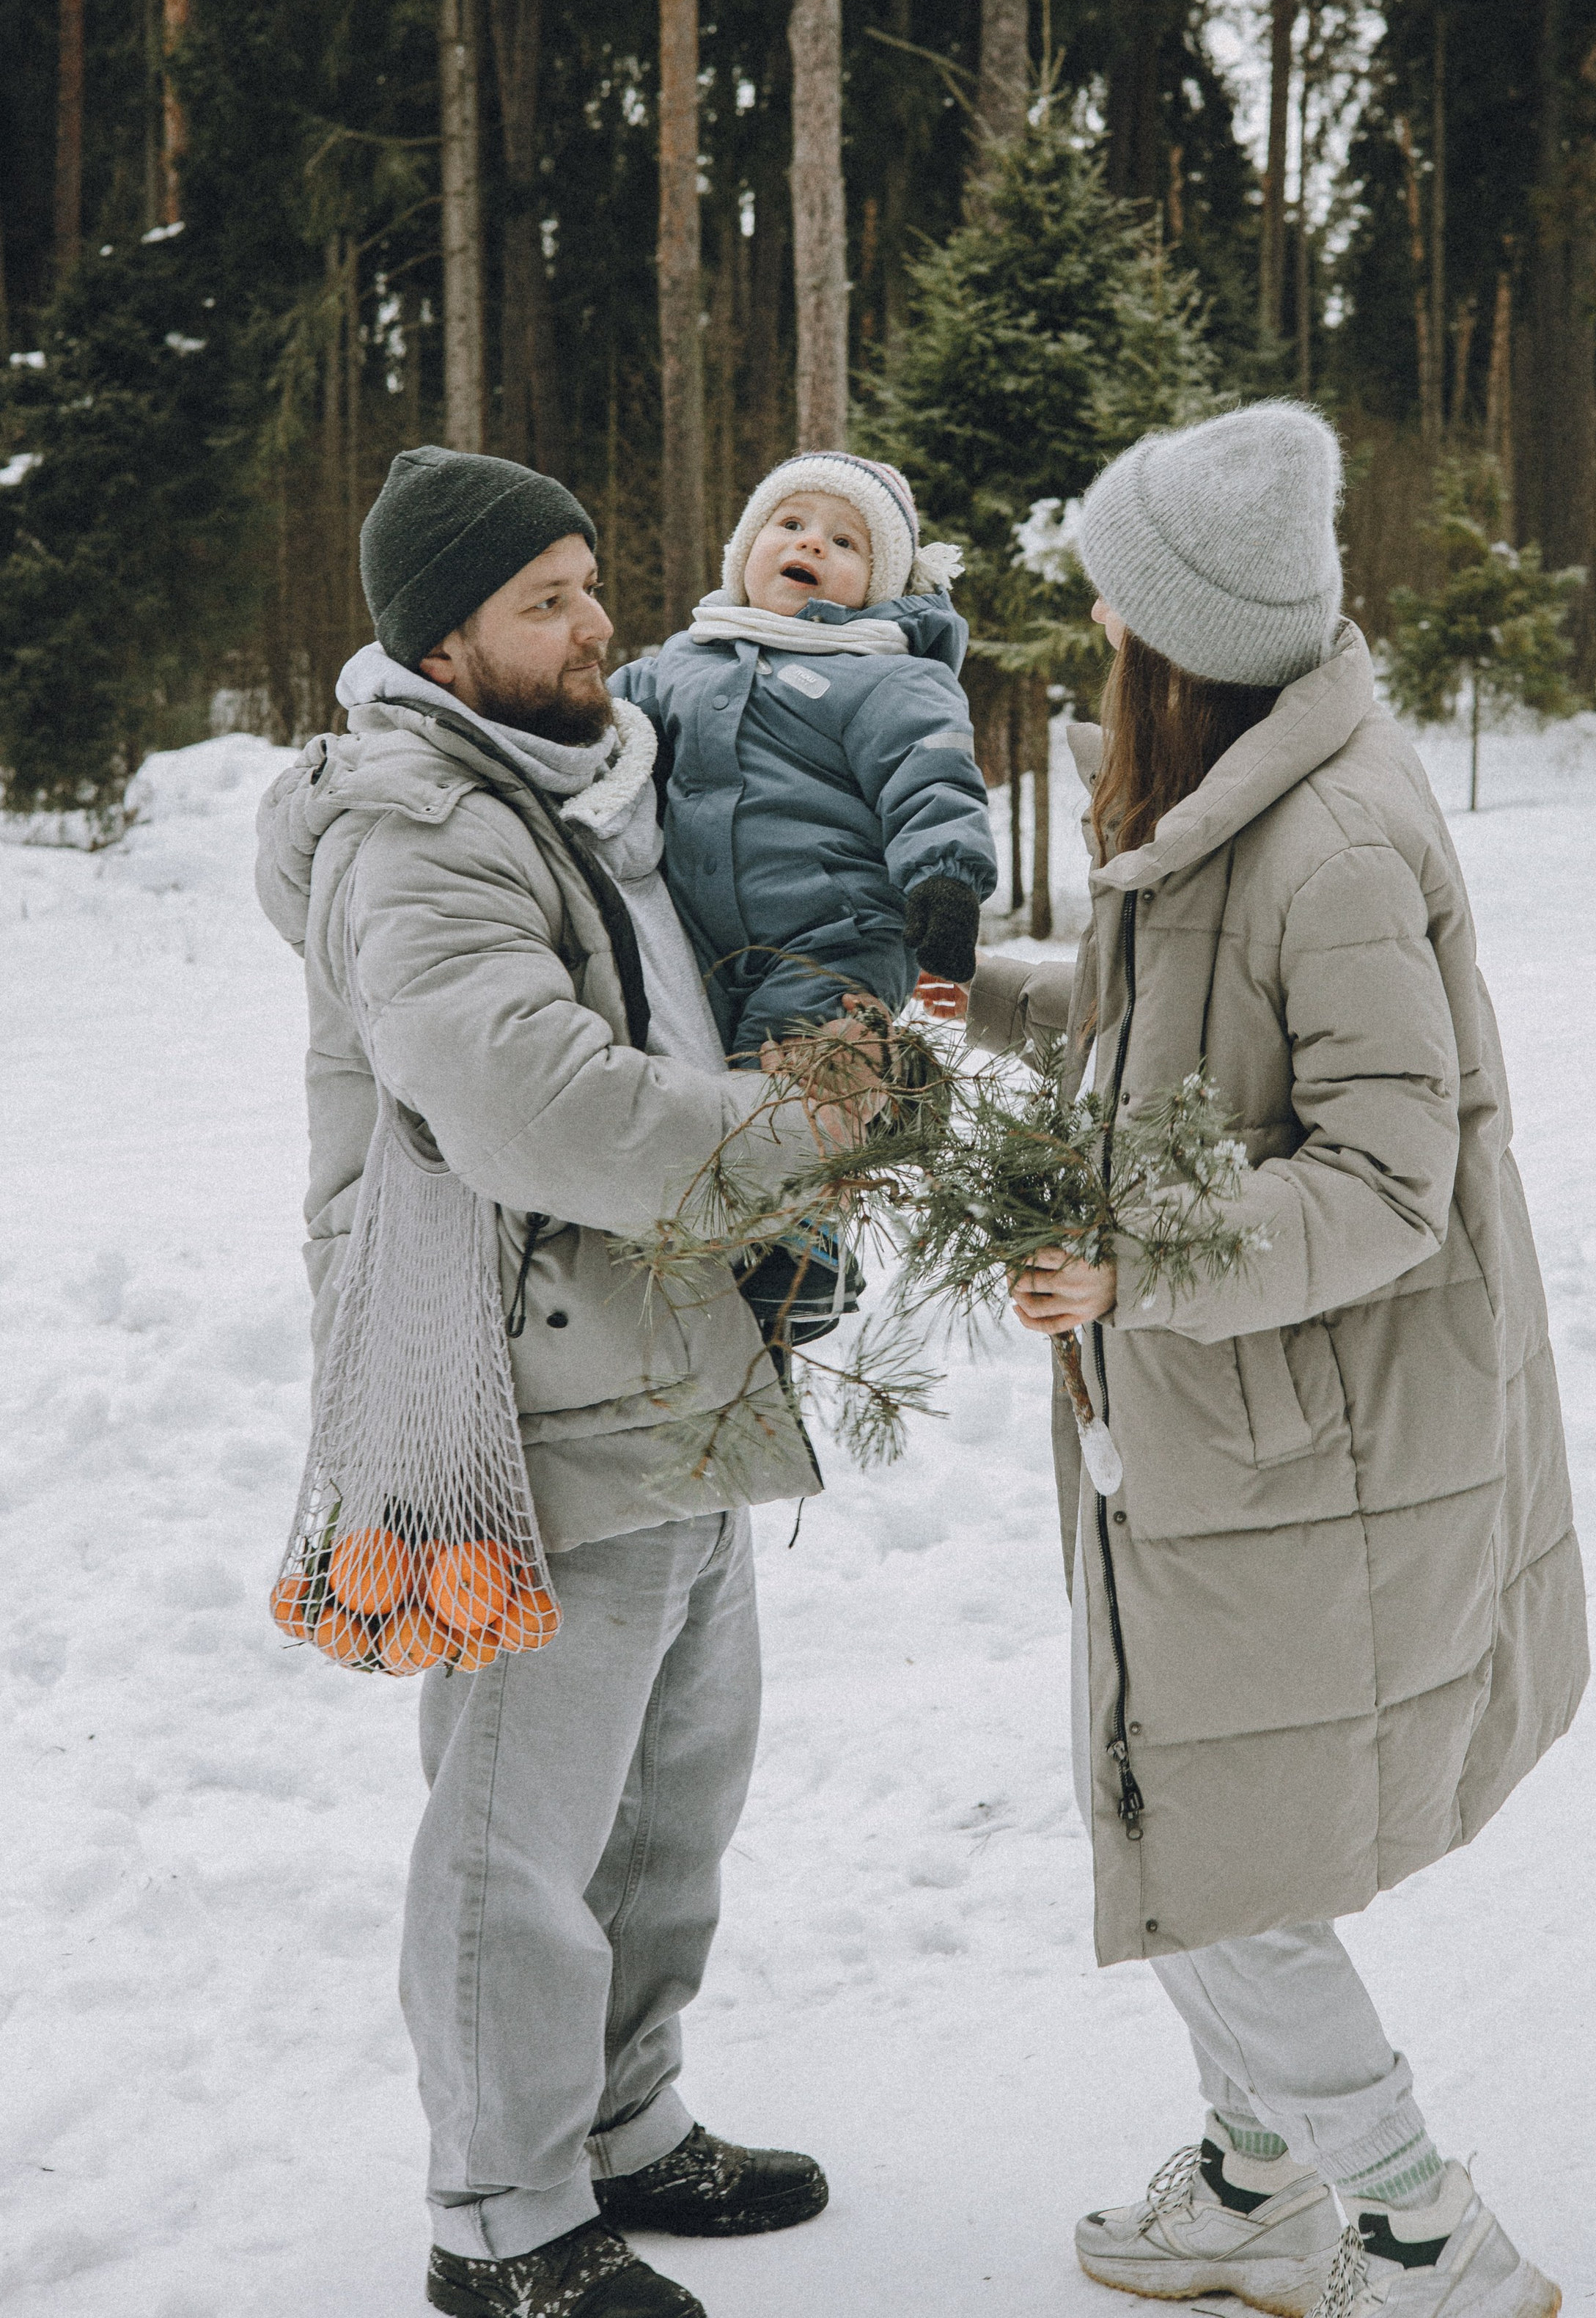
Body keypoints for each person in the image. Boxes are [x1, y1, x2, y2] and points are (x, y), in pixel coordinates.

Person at [933, 402, 1589, 2318]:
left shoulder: (1329, 848)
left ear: (1186, 645)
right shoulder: (1248, 810)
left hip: (1311, 1442)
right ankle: (1252, 2175)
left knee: (1203, 1848)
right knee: (1187, 1804)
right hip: (1234, 1433)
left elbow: (1393, 1180)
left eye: (1119, 624)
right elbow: (1176, 1035)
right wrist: (992, 994)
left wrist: (1136, 1263)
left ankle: (1412, 2224)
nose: (1099, 655)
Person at [257, 446, 873, 2318]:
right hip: (520, 1401)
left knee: (672, 1800)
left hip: (671, 1362)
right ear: (441, 642)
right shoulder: (416, 831)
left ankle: (621, 2122)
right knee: (521, 1830)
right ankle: (501, 2214)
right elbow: (533, 1105)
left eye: (592, 581)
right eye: (544, 598)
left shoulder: (594, 790)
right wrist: (795, 1133)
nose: (595, 619)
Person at [613, 451, 998, 1065]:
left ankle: (858, 1088)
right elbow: (599, 723)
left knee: (783, 1106)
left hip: (835, 944)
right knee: (686, 1102)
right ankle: (889, 1099)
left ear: (879, 583)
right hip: (693, 943)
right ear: (745, 551)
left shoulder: (886, 677)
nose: (813, 544)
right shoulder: (683, 661)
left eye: (845, 541)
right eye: (791, 525)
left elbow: (932, 778)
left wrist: (946, 875)